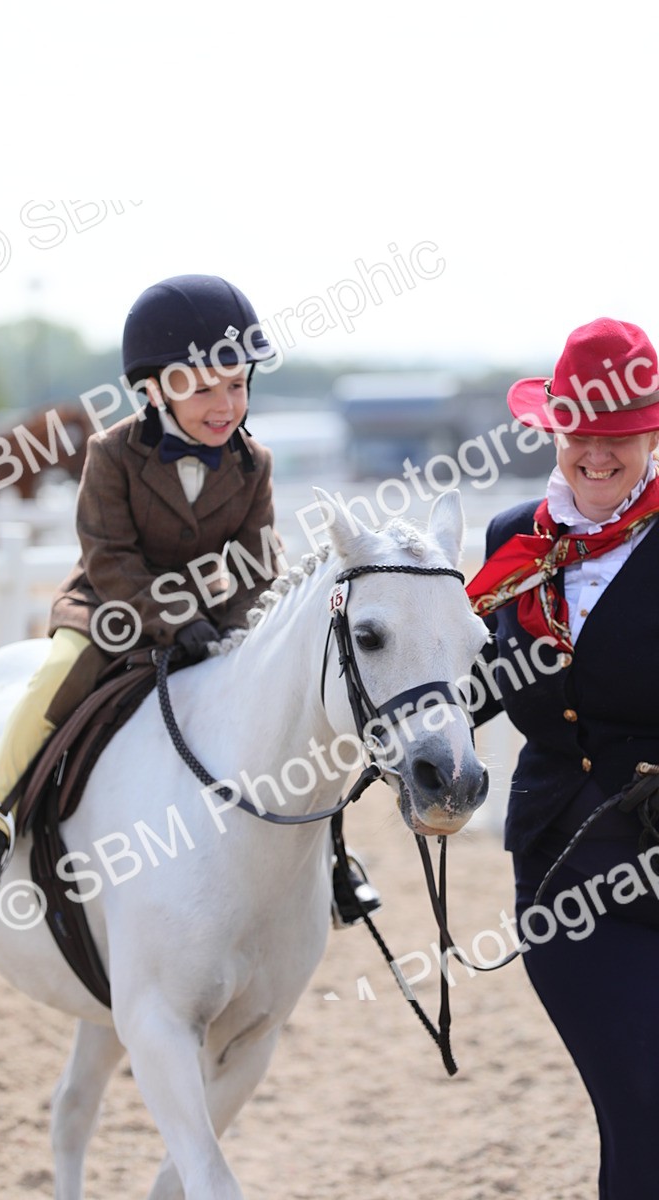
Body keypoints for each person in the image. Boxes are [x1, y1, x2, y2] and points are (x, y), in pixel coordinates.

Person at [0, 274, 381, 924]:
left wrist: (238, 626)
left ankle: (333, 857)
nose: (225, 403)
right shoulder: (110, 453)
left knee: (291, 704)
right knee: (58, 677)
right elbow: (108, 557)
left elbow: (258, 563)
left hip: (210, 614)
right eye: (203, 388)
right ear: (154, 391)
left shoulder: (253, 462)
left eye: (237, 384)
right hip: (111, 609)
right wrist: (173, 620)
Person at [466, 317, 659, 1200]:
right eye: (579, 429)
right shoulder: (516, 538)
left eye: (617, 433)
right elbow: (477, 686)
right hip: (563, 877)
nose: (595, 451)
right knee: (638, 1099)